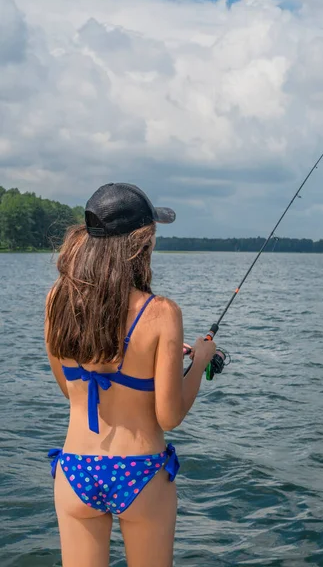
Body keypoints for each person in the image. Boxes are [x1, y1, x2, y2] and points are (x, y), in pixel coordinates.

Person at [45, 183, 216, 567]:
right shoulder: (162, 313)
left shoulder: (56, 301)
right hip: (139, 471)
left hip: (76, 470)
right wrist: (200, 359)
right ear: (142, 242)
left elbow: (69, 390)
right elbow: (168, 417)